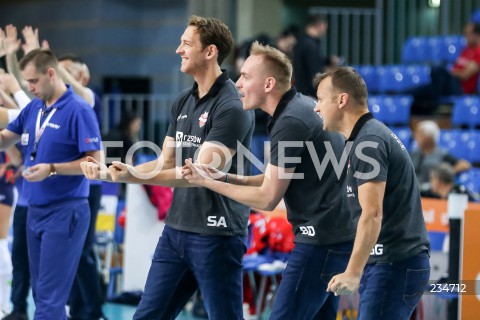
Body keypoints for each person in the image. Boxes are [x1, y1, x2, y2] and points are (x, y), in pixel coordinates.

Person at [80, 16, 254, 320]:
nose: (178, 50)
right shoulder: (183, 101)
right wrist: (113, 172)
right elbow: (167, 162)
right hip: (176, 232)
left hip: (217, 235)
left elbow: (199, 175)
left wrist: (135, 176)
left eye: (186, 43)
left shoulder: (232, 105)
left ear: (210, 52)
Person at [182, 42, 356, 319]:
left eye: (246, 77)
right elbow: (273, 178)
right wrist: (224, 176)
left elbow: (267, 197)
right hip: (333, 239)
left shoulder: (291, 121)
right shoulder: (299, 109)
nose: (237, 84)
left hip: (321, 242)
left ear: (269, 84)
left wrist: (210, 183)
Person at [313, 67, 430, 319]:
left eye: (321, 99)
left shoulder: (369, 141)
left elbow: (373, 213)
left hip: (394, 263)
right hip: (390, 263)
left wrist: (353, 272)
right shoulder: (363, 138)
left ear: (341, 100)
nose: (316, 108)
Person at [0, 48, 102, 320]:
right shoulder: (35, 107)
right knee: (41, 294)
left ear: (51, 73)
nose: (28, 87)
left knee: (50, 299)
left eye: (33, 81)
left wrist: (53, 169)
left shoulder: (79, 110)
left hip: (65, 211)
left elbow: (95, 163)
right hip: (35, 210)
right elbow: (6, 138)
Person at [409, 22, 480, 114]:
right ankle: (405, 94)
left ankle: (429, 104)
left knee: (438, 71)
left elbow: (465, 75)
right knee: (428, 87)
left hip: (461, 89)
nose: (465, 36)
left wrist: (451, 72)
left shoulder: (478, 52)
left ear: (476, 35)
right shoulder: (466, 50)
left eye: (467, 33)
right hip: (448, 85)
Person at [410, 120, 470, 188]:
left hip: (431, 190)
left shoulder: (442, 154)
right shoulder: (414, 153)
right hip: (413, 189)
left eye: (419, 134)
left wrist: (447, 173)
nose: (415, 137)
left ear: (429, 137)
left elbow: (465, 165)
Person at [292, 13, 340, 97]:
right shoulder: (310, 46)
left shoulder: (302, 42)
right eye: (325, 25)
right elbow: (315, 73)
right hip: (309, 95)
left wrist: (327, 60)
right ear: (320, 25)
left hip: (302, 92)